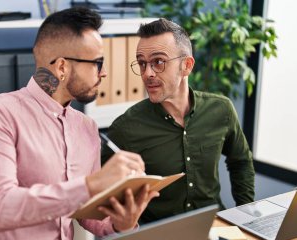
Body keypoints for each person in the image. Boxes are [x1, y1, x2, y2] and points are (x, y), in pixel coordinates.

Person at [0, 7, 159, 240]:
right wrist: (91, 184)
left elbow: (88, 213)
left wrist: (121, 222)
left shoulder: (86, 127)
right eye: (97, 63)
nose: (104, 73)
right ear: (62, 68)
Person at [101, 18, 255, 224]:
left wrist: (245, 217)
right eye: (142, 63)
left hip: (214, 228)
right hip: (158, 239)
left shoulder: (221, 109)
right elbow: (104, 196)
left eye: (158, 62)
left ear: (187, 65)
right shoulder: (125, 128)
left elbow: (241, 161)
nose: (147, 73)